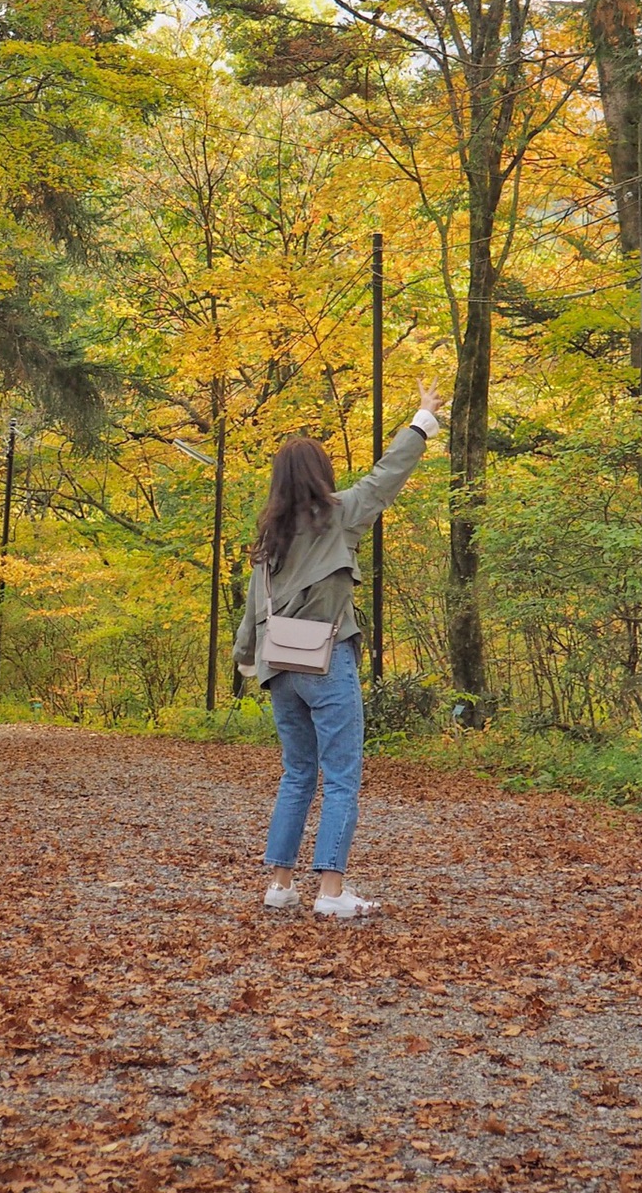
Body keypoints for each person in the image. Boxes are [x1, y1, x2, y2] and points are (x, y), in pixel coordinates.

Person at [233, 381, 445, 919]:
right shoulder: (339, 515)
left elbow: (253, 605)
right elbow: (385, 478)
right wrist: (422, 418)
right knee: (342, 775)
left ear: (280, 482)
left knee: (297, 773)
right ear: (320, 475)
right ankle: (330, 892)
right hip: (327, 661)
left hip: (279, 666)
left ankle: (280, 885)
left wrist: (246, 657)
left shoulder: (269, 537)